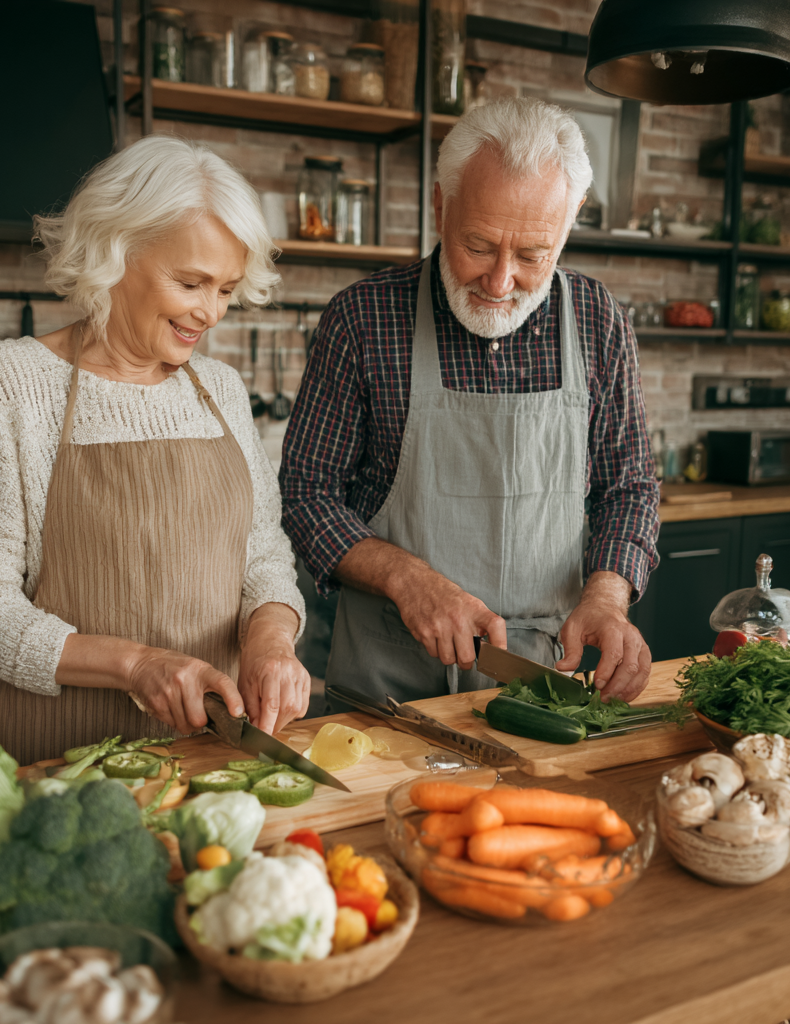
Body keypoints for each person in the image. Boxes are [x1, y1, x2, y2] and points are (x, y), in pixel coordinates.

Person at [0, 135, 309, 765]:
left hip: (214, 754)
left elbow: (262, 553)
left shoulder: (221, 389)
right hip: (61, 759)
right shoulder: (14, 382)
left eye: (226, 289)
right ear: (114, 251)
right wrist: (136, 666)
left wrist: (270, 639)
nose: (211, 312)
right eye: (191, 282)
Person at [279, 98, 659, 707]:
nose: (501, 281)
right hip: (388, 673)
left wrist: (607, 598)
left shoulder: (598, 320)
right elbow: (305, 494)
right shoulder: (363, 317)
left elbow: (630, 488)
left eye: (533, 254)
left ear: (571, 220)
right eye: (479, 245)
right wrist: (409, 581)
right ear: (440, 203)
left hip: (539, 679)